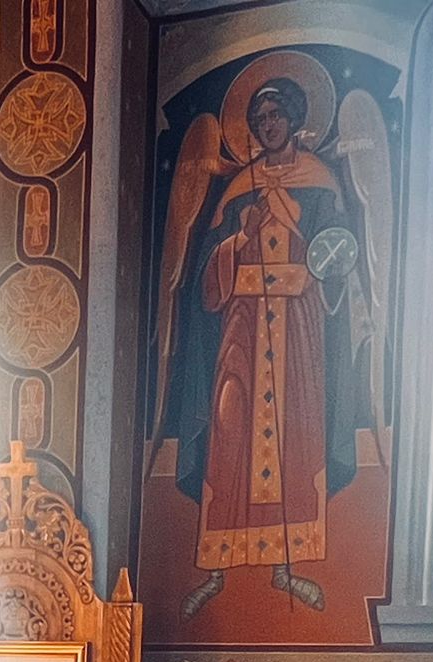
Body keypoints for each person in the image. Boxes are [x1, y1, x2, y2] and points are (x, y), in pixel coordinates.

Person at [165, 76, 368, 618]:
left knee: (294, 441)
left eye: (276, 115)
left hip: (298, 326)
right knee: (229, 432)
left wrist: (299, 232)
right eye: (259, 120)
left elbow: (338, 257)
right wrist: (240, 235)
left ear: (296, 118)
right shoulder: (238, 189)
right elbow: (206, 275)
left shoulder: (319, 182)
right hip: (242, 326)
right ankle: (215, 568)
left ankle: (287, 566)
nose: (267, 126)